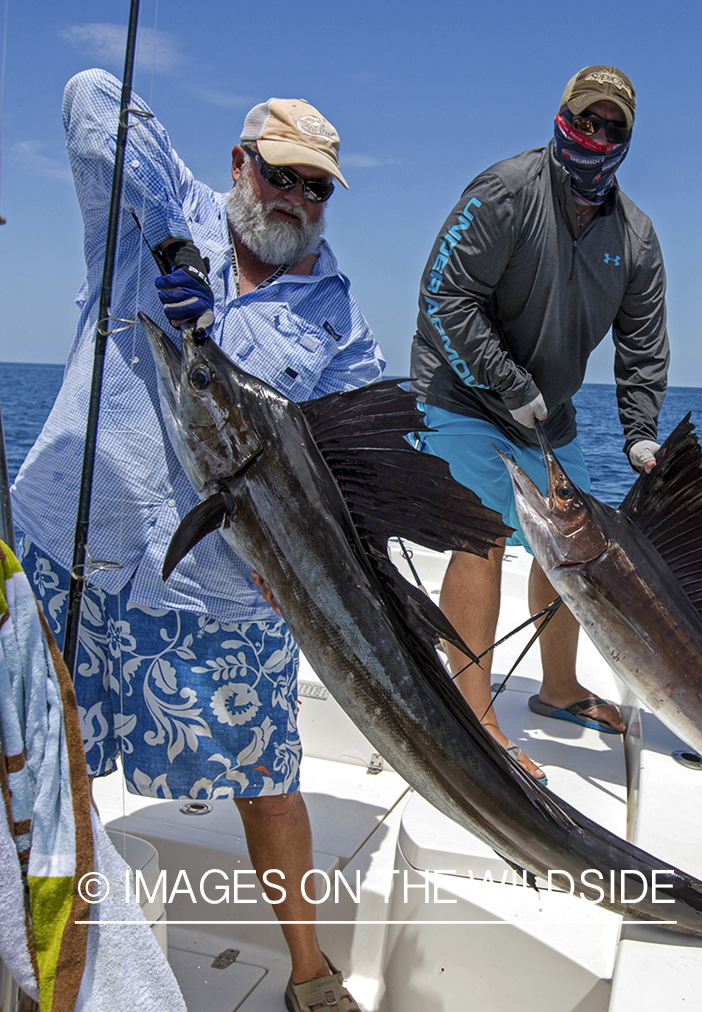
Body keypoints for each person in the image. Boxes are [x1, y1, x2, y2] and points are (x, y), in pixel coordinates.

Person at [10, 69, 381, 1012]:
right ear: (238, 163)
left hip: (224, 584)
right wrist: (176, 239)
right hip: (75, 548)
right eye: (279, 175)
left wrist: (319, 559)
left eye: (315, 188)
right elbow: (90, 91)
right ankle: (56, 952)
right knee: (43, 761)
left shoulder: (337, 318)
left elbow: (363, 472)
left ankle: (309, 974)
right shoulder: (156, 206)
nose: (295, 199)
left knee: (269, 781)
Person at [409, 65, 668, 780]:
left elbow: (641, 343)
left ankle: (558, 689)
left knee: (575, 541)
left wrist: (639, 431)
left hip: (546, 413)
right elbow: (443, 295)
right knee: (483, 533)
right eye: (587, 121)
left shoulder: (636, 237)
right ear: (562, 119)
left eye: (613, 128)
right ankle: (473, 715)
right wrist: (507, 382)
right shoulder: (506, 191)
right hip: (461, 391)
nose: (598, 136)